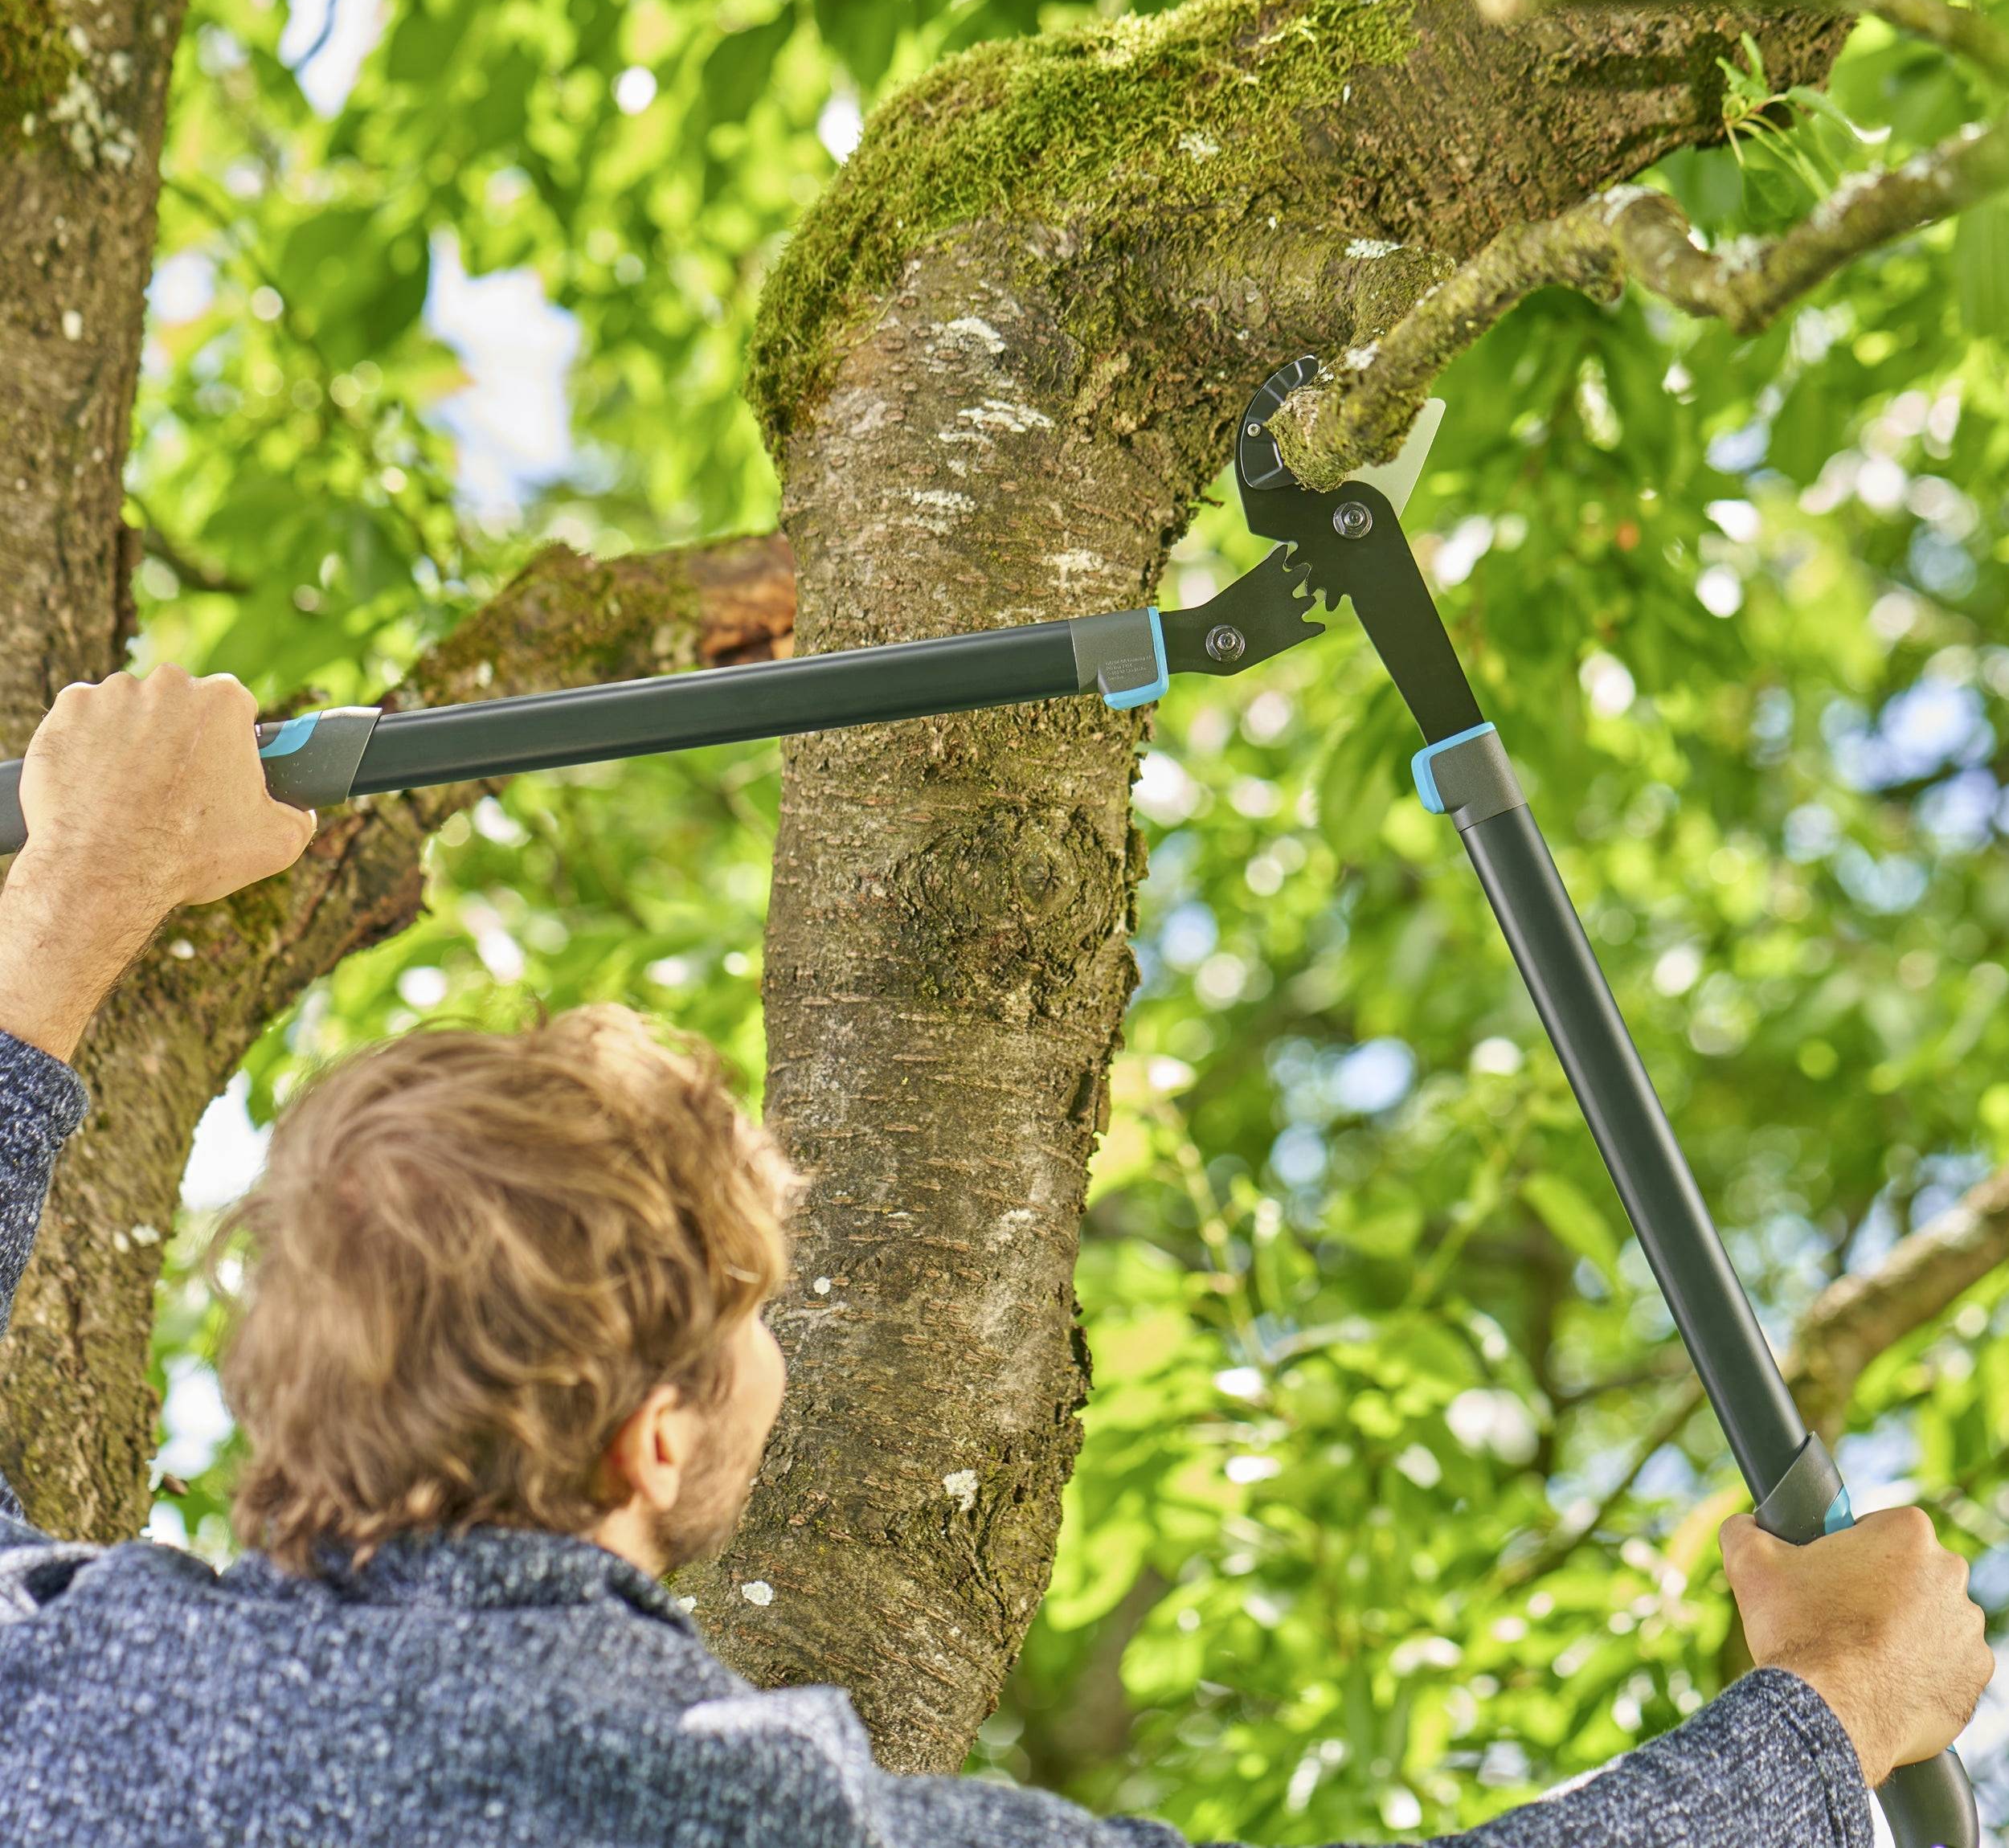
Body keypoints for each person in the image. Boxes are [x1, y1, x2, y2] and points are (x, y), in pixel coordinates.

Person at [0, 667, 1991, 1848]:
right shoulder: (724, 1799)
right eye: (751, 1317)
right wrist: (1824, 1707)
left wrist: (76, 897)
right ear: (645, 1446)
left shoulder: (64, 1680)